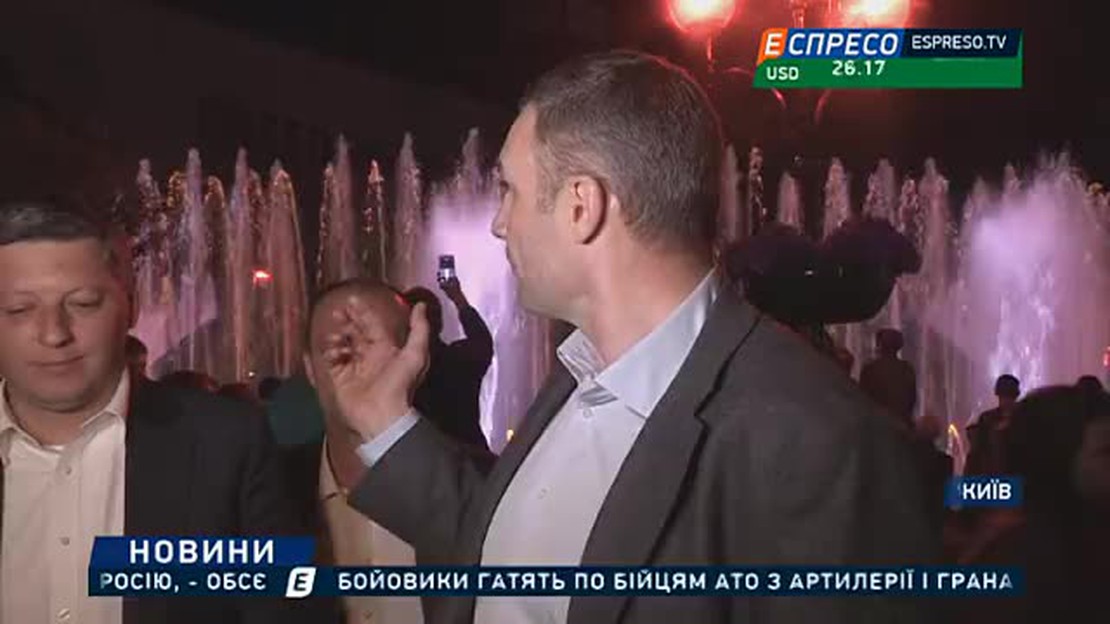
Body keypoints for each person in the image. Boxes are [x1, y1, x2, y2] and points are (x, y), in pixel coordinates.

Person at [324, 51, 936, 624]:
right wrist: (385, 422)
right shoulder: (576, 376)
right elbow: (516, 562)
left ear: (581, 206)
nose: (498, 223)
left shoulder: (820, 445)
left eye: (509, 189)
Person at [0, 198, 323, 624]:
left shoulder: (227, 443)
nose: (54, 334)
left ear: (131, 306)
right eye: (20, 310)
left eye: (83, 303)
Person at [285, 277, 423, 624]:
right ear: (310, 370)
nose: (358, 370)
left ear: (418, 361)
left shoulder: (482, 490)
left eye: (375, 347)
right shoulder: (269, 491)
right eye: (338, 352)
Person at [403, 278, 494, 459]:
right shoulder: (460, 358)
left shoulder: (400, 374)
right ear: (441, 323)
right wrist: (458, 298)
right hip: (472, 457)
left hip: (426, 462)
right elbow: (482, 340)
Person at [858, 328, 917, 428]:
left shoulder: (870, 369)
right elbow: (912, 400)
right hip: (901, 425)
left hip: (877, 425)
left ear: (880, 346)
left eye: (877, 343)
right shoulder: (907, 369)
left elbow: (863, 399)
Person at [964, 374, 1020, 476]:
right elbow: (977, 453)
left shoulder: (987, 419)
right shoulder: (987, 419)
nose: (1006, 401)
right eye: (1004, 396)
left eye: (1009, 396)